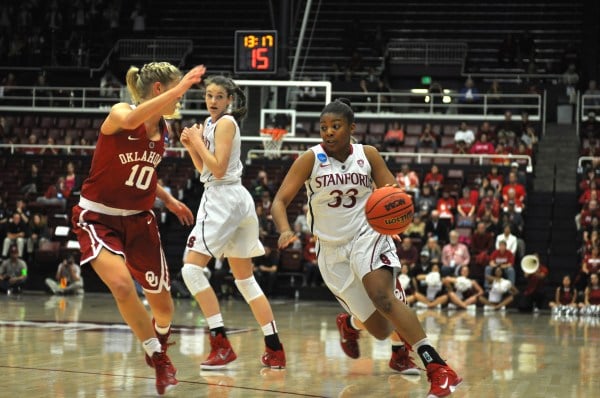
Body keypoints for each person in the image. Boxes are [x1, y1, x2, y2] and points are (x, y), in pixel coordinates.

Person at [270, 98, 462, 397]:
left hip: (368, 235)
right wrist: (284, 229)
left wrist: (393, 223)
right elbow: (279, 201)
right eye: (324, 127)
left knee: (384, 299)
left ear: (351, 128)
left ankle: (438, 369)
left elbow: (391, 192)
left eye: (336, 126)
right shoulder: (310, 159)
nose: (328, 132)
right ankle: (351, 323)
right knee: (383, 329)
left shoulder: (368, 154)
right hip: (331, 251)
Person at [71, 61, 205, 394]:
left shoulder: (167, 131)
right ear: (160, 90)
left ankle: (159, 338)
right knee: (120, 285)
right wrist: (182, 85)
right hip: (99, 217)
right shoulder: (120, 113)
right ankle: (158, 357)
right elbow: (132, 119)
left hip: (140, 221)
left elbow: (144, 171)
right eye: (176, 92)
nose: (180, 101)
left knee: (164, 308)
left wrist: (169, 200)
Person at [178, 75, 285, 371]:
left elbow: (219, 168)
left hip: (223, 199)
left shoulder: (225, 123)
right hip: (234, 199)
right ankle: (275, 348)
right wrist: (191, 146)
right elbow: (204, 171)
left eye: (219, 96)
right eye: (209, 95)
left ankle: (221, 344)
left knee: (191, 270)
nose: (212, 101)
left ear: (229, 100)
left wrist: (198, 141)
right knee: (245, 280)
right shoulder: (211, 123)